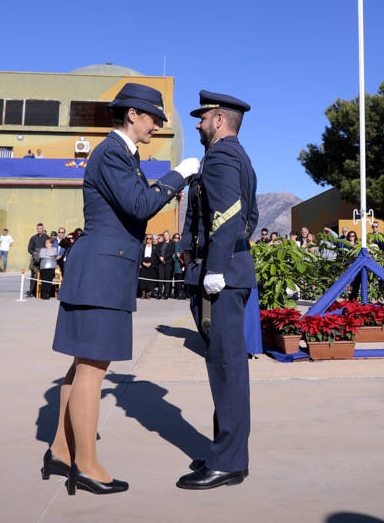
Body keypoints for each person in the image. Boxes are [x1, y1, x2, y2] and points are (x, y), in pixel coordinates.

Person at [45, 82, 196, 496]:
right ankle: (87, 465)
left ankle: (61, 450)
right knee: (93, 368)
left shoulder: (121, 154)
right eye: (153, 118)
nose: (157, 126)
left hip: (101, 270)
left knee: (82, 367)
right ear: (132, 114)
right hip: (101, 273)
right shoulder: (112, 152)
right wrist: (179, 175)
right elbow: (141, 206)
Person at [178, 91, 257, 491]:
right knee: (224, 368)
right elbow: (250, 215)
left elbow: (226, 215)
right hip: (227, 271)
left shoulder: (223, 156)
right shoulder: (238, 156)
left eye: (203, 117)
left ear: (220, 120)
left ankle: (229, 460)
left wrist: (216, 267)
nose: (197, 123)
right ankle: (224, 451)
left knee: (227, 369)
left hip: (221, 277)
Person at [27, 224, 46, 297]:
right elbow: (29, 249)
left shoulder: (46, 238)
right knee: (33, 275)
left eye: (40, 228)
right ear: (37, 229)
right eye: (38, 228)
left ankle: (42, 292)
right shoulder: (33, 238)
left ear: (43, 229)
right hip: (35, 260)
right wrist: (34, 253)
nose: (39, 230)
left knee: (43, 276)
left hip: (43, 260)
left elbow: (49, 247)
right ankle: (32, 291)